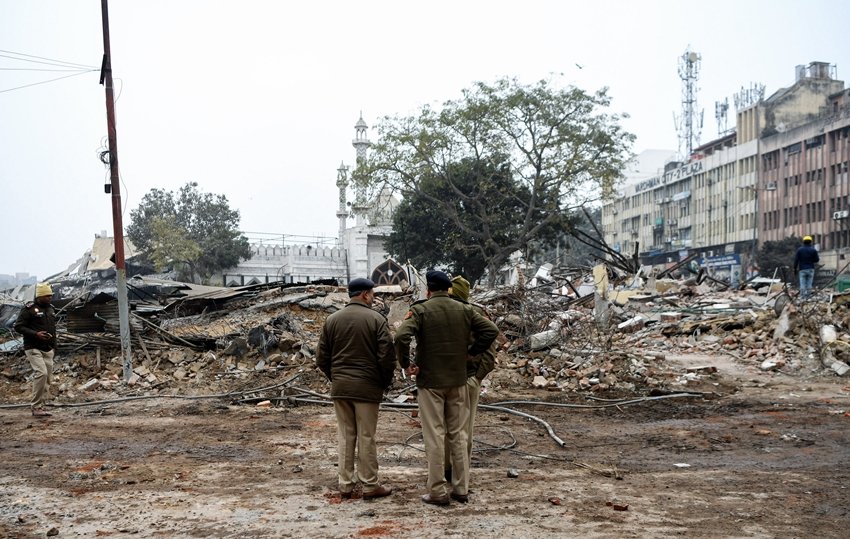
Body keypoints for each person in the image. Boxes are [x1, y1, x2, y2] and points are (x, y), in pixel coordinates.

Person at [395, 270, 499, 506]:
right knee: (459, 436)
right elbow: (491, 331)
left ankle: (437, 491)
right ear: (448, 290)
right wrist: (471, 353)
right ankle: (461, 489)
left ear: (428, 290)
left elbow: (401, 335)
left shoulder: (421, 310)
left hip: (430, 383)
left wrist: (406, 364)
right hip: (459, 381)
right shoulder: (465, 310)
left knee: (435, 436)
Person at [316, 278, 396, 500]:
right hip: (368, 388)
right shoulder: (376, 320)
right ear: (364, 295)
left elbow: (321, 357)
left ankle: (345, 485)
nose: (373, 297)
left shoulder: (331, 320)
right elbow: (387, 357)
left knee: (345, 435)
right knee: (366, 436)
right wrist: (383, 381)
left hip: (341, 388)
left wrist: (337, 377)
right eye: (372, 293)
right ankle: (370, 485)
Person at [443, 275, 498, 488]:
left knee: (462, 431)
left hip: (466, 379)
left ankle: (459, 473)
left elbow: (489, 352)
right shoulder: (451, 314)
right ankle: (449, 470)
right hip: (448, 379)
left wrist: (476, 378)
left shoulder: (474, 316)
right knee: (449, 430)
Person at [14, 282, 57, 417]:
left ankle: (41, 405)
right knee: (41, 373)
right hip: (33, 347)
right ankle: (36, 407)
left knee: (48, 377)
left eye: (50, 295)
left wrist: (54, 347)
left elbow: (53, 328)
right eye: (46, 296)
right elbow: (18, 326)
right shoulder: (29, 309)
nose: (49, 298)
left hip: (48, 348)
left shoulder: (50, 309)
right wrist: (35, 334)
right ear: (39, 296)